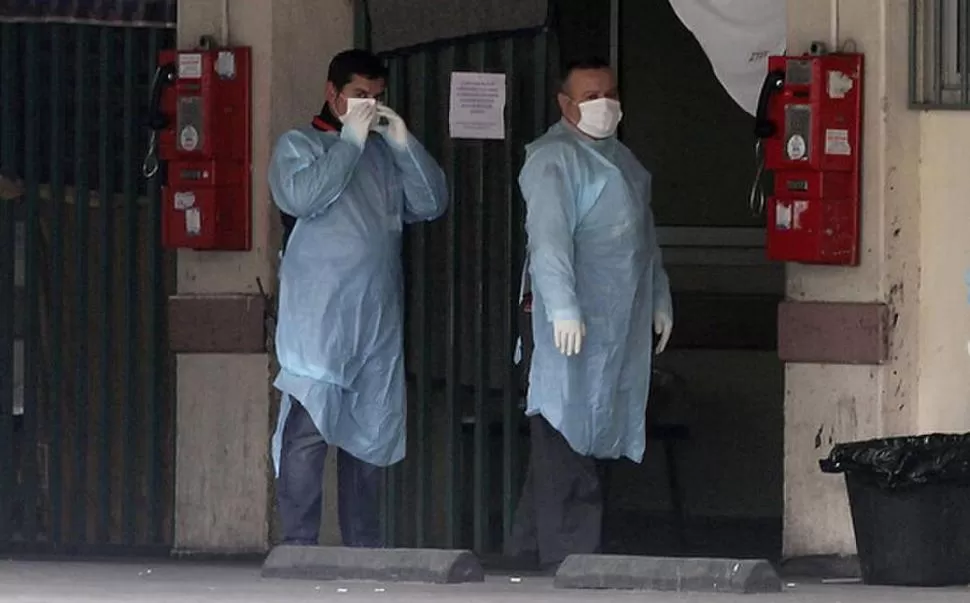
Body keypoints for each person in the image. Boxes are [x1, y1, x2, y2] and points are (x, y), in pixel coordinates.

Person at [267, 49, 448, 547]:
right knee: (307, 433)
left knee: (369, 433)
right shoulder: (299, 144)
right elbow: (300, 197)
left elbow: (432, 202)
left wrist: (403, 142)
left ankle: (362, 550)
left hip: (376, 316)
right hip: (318, 319)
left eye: (376, 96)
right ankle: (298, 547)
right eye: (358, 95)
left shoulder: (386, 154)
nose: (368, 105)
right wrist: (348, 140)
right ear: (333, 93)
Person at [505, 57, 674, 569]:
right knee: (565, 427)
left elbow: (645, 240)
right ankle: (573, 556)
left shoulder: (622, 160)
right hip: (568, 321)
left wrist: (660, 296)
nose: (604, 105)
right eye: (591, 96)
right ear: (565, 104)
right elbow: (550, 242)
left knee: (573, 432)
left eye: (610, 94)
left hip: (614, 319)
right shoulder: (554, 159)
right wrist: (562, 308)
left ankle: (528, 547)